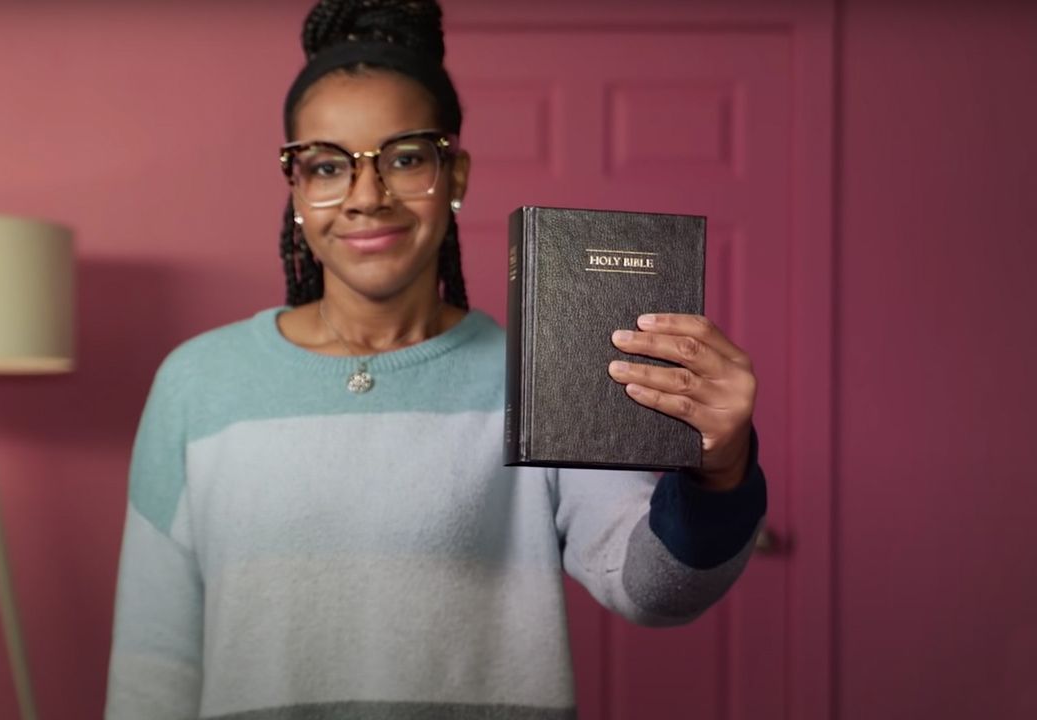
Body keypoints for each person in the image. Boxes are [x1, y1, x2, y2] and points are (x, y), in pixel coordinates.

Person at [105, 1, 767, 718]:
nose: (366, 196)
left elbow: (650, 589)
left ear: (456, 176)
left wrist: (721, 471)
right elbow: (153, 664)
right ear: (297, 186)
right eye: (328, 165)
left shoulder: (539, 374)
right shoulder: (198, 382)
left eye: (407, 158)